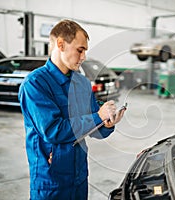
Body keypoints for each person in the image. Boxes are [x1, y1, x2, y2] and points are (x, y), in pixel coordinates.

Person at [18, 19, 125, 200]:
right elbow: (54, 131)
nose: (83, 57)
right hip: (51, 180)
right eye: (80, 50)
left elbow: (95, 129)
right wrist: (98, 116)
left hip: (79, 175)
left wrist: (107, 123)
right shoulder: (35, 84)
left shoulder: (82, 83)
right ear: (61, 44)